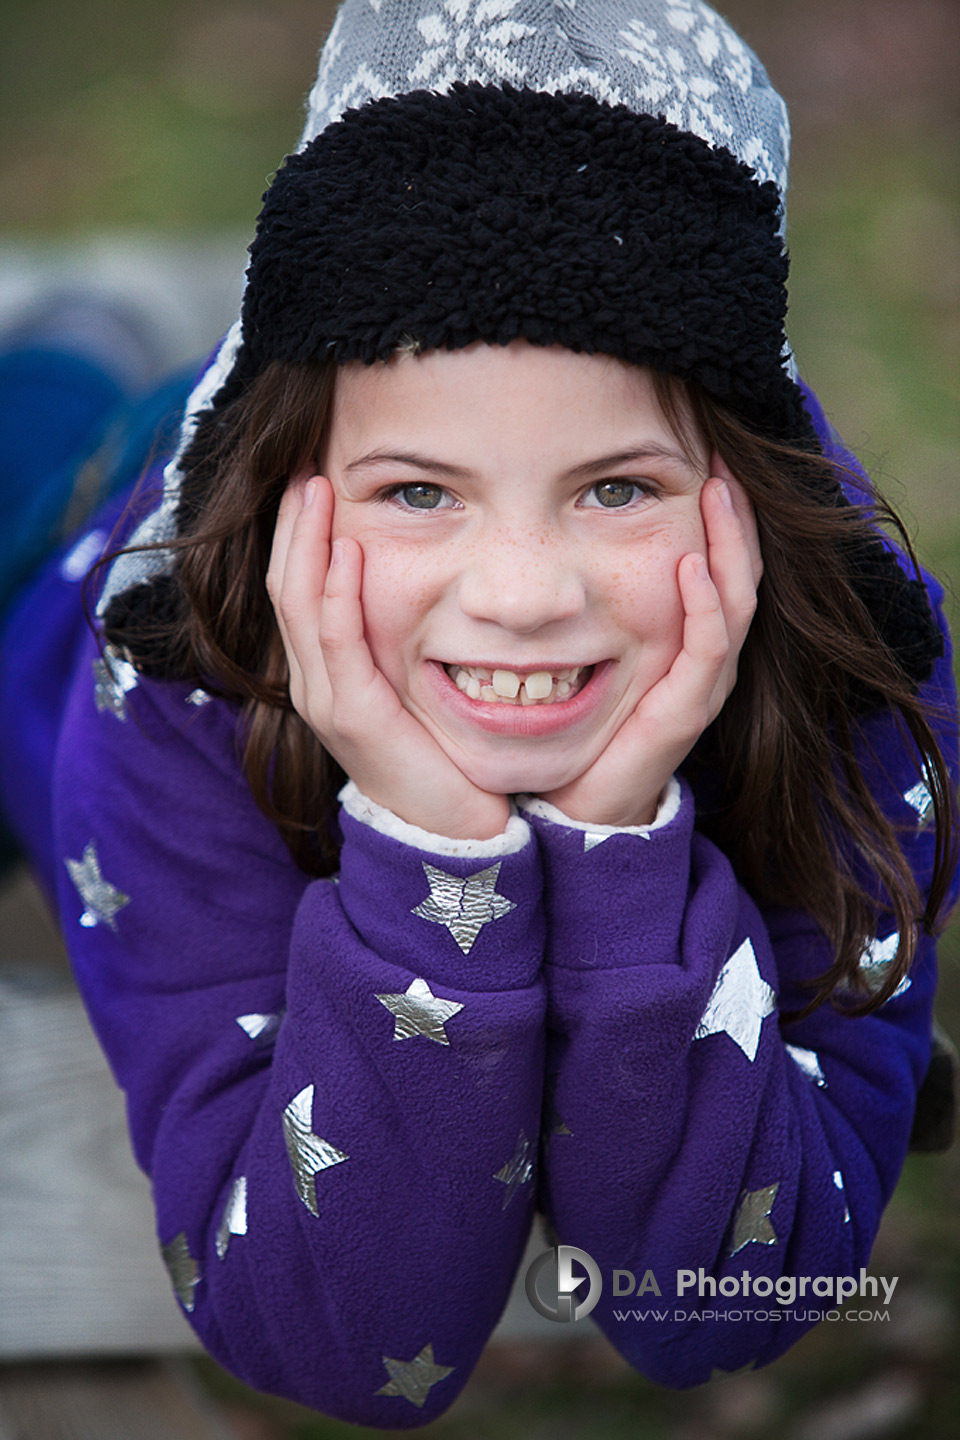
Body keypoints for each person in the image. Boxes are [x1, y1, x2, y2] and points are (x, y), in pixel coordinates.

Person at [0, 0, 956, 1426]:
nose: (519, 595)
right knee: (43, 432)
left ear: (740, 491)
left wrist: (622, 846)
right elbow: (337, 1340)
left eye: (616, 488)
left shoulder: (853, 668)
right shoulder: (170, 679)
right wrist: (436, 856)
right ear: (289, 497)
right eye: (420, 491)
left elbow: (719, 1309)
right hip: (86, 519)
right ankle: (78, 339)